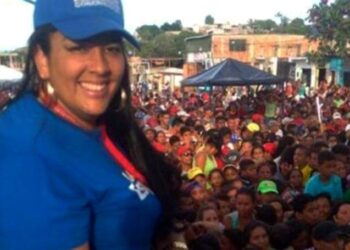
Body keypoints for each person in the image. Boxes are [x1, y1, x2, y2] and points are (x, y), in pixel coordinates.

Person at [0, 0, 180, 249]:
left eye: (112, 48)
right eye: (79, 47)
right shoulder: (28, 153)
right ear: (42, 59)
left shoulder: (94, 125)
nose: (101, 66)